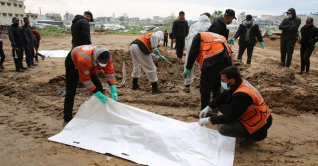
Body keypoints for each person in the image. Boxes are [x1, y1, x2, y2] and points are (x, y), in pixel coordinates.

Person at [198, 66, 273, 148]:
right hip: (251, 114)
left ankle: (250, 136)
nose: (221, 82)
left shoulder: (241, 95)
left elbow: (230, 117)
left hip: (259, 124)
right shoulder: (239, 84)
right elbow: (223, 96)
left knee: (222, 127)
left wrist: (209, 119)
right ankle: (239, 125)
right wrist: (208, 107)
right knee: (220, 104)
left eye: (223, 80)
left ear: (232, 81)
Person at [63, 45, 118, 126]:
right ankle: (67, 117)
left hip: (92, 65)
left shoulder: (107, 57)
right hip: (73, 63)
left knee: (99, 87)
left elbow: (109, 72)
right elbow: (85, 80)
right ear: (96, 59)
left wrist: (113, 89)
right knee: (71, 91)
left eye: (105, 63)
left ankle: (99, 112)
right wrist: (97, 94)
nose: (104, 64)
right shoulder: (84, 60)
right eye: (102, 63)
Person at [183, 32, 233, 114]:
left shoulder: (199, 36)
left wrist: (188, 68)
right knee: (216, 87)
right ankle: (215, 109)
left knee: (205, 89)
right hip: (226, 63)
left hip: (211, 63)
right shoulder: (219, 36)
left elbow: (192, 53)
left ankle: (204, 112)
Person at [183, 13, 211, 93]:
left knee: (189, 66)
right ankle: (203, 85)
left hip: (191, 48)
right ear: (208, 18)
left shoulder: (194, 25)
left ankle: (187, 85)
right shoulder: (210, 26)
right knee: (203, 66)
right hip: (204, 49)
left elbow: (189, 37)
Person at [71, 11, 94, 88]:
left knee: (75, 64)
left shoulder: (75, 22)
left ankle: (74, 81)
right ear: (88, 16)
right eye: (90, 19)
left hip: (75, 46)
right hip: (82, 46)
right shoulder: (84, 21)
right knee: (83, 64)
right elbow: (85, 34)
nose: (89, 21)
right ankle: (82, 82)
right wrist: (89, 44)